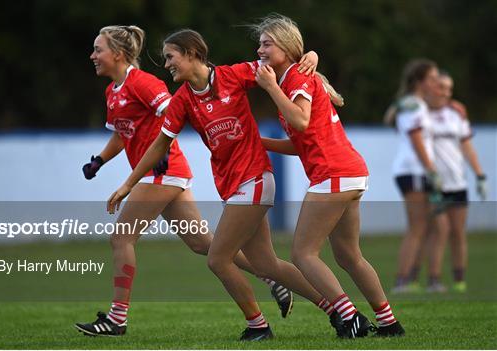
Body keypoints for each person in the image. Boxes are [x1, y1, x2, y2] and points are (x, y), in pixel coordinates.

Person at [106, 28, 344, 341]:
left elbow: (281, 63)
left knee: (218, 259)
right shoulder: (183, 101)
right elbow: (159, 145)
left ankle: (258, 325)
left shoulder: (235, 75)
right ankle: (338, 312)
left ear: (191, 54)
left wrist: (310, 56)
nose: (167, 65)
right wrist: (128, 184)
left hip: (255, 177)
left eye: (170, 57)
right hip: (233, 186)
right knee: (267, 264)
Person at [74, 25, 297, 337]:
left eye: (98, 49)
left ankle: (117, 318)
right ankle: (269, 277)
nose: (93, 55)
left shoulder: (142, 82)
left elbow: (169, 110)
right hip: (165, 174)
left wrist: (157, 157)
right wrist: (99, 160)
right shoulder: (113, 92)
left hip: (163, 172)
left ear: (118, 54)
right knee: (203, 244)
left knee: (121, 238)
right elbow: (122, 133)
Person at [251, 14, 404, 338]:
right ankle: (389, 323)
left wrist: (270, 88)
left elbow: (301, 120)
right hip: (349, 173)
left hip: (333, 174)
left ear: (288, 47)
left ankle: (350, 319)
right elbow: (300, 142)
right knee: (348, 255)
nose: (260, 49)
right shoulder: (295, 77)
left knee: (303, 254)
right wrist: (259, 141)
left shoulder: (295, 79)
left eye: (267, 43)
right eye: (260, 43)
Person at [410, 71, 487, 293]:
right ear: (431, 87)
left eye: (449, 89)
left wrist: (480, 175)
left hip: (458, 182)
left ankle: (459, 280)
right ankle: (433, 279)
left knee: (458, 232)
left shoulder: (456, 114)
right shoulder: (420, 113)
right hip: (434, 183)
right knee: (439, 230)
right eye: (440, 87)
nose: (445, 92)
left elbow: (467, 147)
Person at [383, 58, 442, 294]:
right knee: (417, 227)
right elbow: (417, 140)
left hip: (416, 170)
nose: (436, 82)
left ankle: (413, 279)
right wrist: (431, 170)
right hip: (414, 170)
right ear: (420, 81)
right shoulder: (413, 105)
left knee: (428, 226)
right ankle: (402, 281)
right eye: (432, 78)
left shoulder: (417, 104)